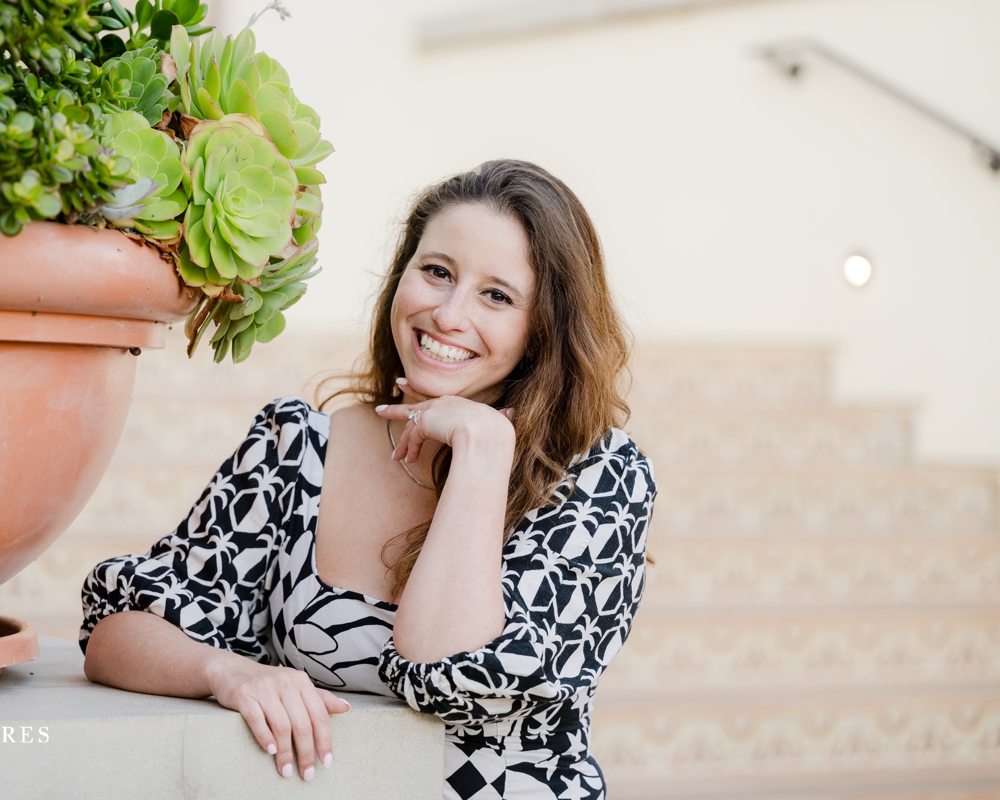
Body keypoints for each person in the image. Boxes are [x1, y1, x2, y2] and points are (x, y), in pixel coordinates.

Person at [78, 159, 656, 800]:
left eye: (497, 295)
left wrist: (483, 452)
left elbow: (443, 664)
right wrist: (227, 671)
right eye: (436, 272)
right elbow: (115, 634)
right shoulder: (298, 448)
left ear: (545, 325)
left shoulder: (599, 479)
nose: (448, 314)